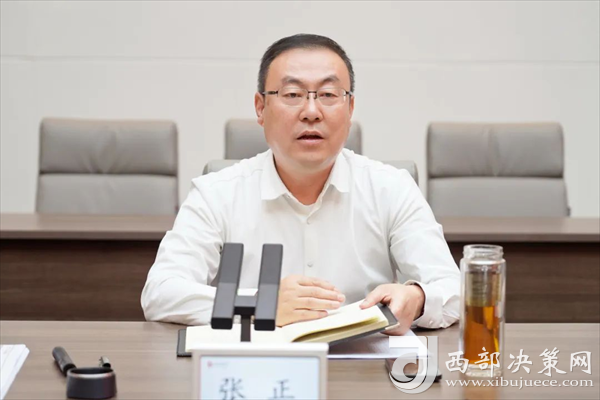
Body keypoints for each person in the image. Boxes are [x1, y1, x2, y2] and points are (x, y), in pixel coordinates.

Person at [141, 34, 459, 334]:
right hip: (254, 365)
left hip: (362, 365)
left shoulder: (391, 188)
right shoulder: (216, 194)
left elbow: (455, 289)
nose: (311, 112)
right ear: (260, 108)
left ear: (350, 109)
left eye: (328, 95)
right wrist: (262, 305)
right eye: (292, 95)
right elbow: (161, 292)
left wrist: (417, 298)